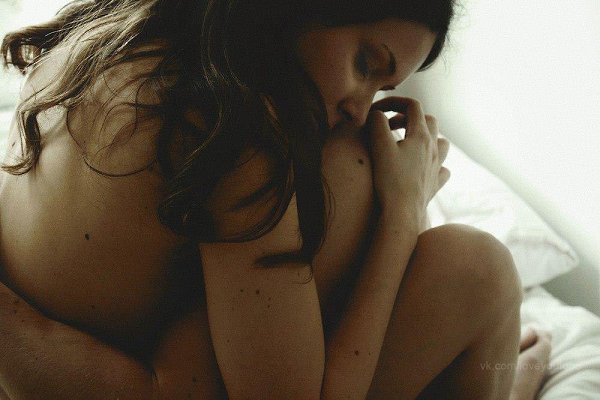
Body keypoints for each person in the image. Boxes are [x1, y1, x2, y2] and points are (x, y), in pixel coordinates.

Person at [0, 0, 551, 398]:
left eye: (382, 91)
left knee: (469, 263)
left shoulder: (109, 26)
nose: (360, 109)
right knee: (482, 270)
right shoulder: (233, 132)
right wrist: (401, 216)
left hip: (108, 352)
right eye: (366, 64)